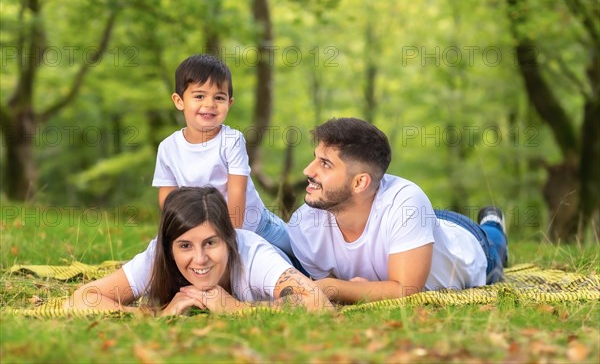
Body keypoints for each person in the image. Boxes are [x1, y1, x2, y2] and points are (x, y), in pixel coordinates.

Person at [287, 117, 508, 304]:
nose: (308, 170)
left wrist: (331, 286)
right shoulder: (304, 225)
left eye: (325, 164)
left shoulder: (407, 202)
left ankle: (493, 221)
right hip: (414, 226)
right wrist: (345, 289)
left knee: (494, 240)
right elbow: (342, 296)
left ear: (359, 183)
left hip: (467, 241)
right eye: (315, 157)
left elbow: (406, 292)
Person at [65, 187, 332, 315]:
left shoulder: (253, 254)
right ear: (169, 249)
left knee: (327, 283)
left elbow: (317, 302)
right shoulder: (157, 255)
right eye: (184, 246)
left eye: (210, 243)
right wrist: (157, 314)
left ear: (229, 240)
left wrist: (234, 308)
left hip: (299, 264)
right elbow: (83, 298)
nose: (200, 258)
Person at [153, 54, 292, 257]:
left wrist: (231, 236)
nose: (210, 104)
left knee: (301, 249)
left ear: (230, 102)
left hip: (258, 223)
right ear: (179, 101)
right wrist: (179, 228)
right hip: (209, 232)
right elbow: (167, 195)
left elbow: (237, 191)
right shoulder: (168, 147)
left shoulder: (231, 140)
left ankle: (334, 273)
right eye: (199, 96)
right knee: (275, 262)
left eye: (219, 97)